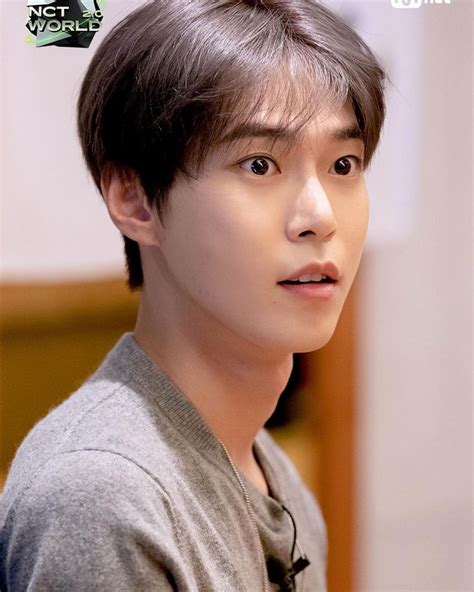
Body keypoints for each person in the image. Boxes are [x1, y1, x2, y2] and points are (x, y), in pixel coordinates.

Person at [0, 1, 386, 590]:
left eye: (343, 164)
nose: (320, 216)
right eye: (259, 165)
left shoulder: (270, 472)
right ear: (134, 199)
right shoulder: (102, 496)